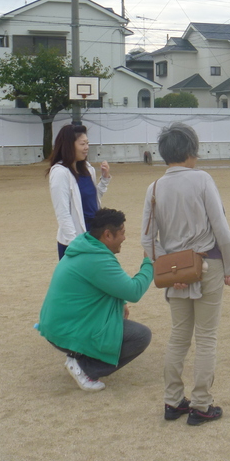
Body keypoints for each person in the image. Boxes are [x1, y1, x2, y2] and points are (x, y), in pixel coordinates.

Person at [141, 122, 230, 426]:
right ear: (189, 151)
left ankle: (173, 401)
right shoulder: (202, 179)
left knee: (178, 336)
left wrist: (168, 269)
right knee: (206, 337)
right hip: (207, 263)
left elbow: (147, 239)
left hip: (175, 270)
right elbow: (220, 226)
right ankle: (201, 404)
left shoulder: (154, 188)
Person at [38, 208, 153, 392]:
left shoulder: (86, 247)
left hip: (58, 326)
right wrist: (149, 263)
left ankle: (79, 356)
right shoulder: (97, 260)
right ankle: (85, 368)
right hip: (66, 331)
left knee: (120, 319)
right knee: (140, 336)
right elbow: (134, 291)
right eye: (122, 233)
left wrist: (120, 303)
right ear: (108, 235)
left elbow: (106, 286)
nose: (124, 238)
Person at [47, 124, 111, 259]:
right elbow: (63, 213)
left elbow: (93, 200)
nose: (86, 147)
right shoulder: (60, 173)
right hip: (75, 240)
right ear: (69, 145)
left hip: (94, 235)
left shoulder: (87, 169)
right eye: (82, 144)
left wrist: (104, 179)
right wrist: (75, 244)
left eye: (87, 143)